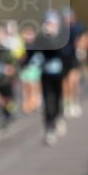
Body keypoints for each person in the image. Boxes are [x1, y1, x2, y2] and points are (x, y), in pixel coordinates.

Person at [24, 13, 67, 146]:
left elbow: (63, 53)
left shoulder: (61, 37)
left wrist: (52, 38)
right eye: (48, 24)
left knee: (58, 98)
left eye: (52, 24)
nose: (50, 27)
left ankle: (58, 117)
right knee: (48, 100)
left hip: (59, 74)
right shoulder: (41, 38)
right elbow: (31, 53)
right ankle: (49, 128)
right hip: (46, 74)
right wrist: (30, 41)